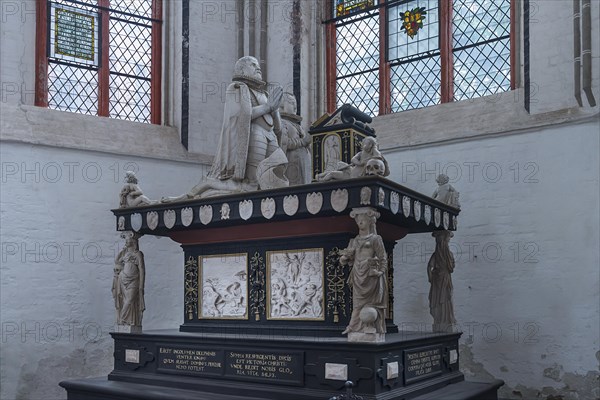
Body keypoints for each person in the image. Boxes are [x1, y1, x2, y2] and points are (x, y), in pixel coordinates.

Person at [161, 56, 288, 202]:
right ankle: (209, 184)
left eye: (258, 64)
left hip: (270, 135)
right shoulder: (236, 88)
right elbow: (241, 116)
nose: (257, 67)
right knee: (251, 183)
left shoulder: (265, 94)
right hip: (255, 135)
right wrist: (268, 107)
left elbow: (277, 127)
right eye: (253, 65)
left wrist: (275, 109)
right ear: (241, 70)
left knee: (272, 177)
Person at [340, 208, 388, 335]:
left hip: (371, 276)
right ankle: (353, 326)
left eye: (363, 220)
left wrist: (381, 272)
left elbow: (383, 257)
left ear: (370, 222)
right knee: (357, 303)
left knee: (370, 303)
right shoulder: (355, 240)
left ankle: (370, 325)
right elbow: (348, 258)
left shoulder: (375, 239)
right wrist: (344, 258)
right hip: (358, 274)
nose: (359, 223)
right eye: (358, 221)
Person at [316, 137, 389, 181]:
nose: (364, 146)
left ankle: (321, 179)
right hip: (351, 172)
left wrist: (374, 148)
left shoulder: (374, 159)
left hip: (354, 177)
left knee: (332, 174)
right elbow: (353, 159)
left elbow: (378, 156)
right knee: (333, 172)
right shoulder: (361, 153)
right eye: (364, 144)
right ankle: (320, 177)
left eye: (367, 144)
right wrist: (360, 163)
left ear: (371, 145)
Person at [277, 92, 311, 185]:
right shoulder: (282, 123)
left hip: (304, 163)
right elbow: (283, 142)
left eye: (295, 103)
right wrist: (303, 142)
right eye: (292, 103)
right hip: (292, 161)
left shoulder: (297, 126)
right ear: (282, 105)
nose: (295, 107)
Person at [428, 230, 456, 332]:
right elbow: (451, 267)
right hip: (440, 280)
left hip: (441, 279)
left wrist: (430, 277)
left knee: (444, 299)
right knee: (441, 299)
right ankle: (441, 320)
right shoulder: (445, 255)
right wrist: (430, 278)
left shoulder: (441, 255)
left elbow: (429, 267)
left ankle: (445, 320)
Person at [114, 235, 145, 327]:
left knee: (130, 299)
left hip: (134, 279)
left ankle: (122, 319)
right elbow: (117, 262)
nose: (126, 241)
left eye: (128, 239)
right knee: (124, 300)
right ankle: (126, 322)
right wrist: (122, 251)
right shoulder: (125, 254)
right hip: (123, 279)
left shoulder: (138, 254)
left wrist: (141, 285)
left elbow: (142, 269)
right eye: (126, 239)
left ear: (133, 241)